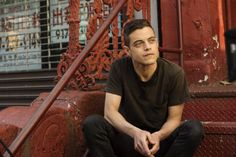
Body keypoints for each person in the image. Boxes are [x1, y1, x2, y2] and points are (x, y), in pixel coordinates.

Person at [82, 19, 204, 157]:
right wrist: (136, 133)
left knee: (194, 129)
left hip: (158, 143)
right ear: (128, 50)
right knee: (92, 124)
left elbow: (174, 120)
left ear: (157, 43)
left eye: (151, 41)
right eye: (139, 44)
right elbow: (110, 113)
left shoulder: (174, 73)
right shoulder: (119, 68)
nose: (147, 47)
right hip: (129, 140)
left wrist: (158, 136)